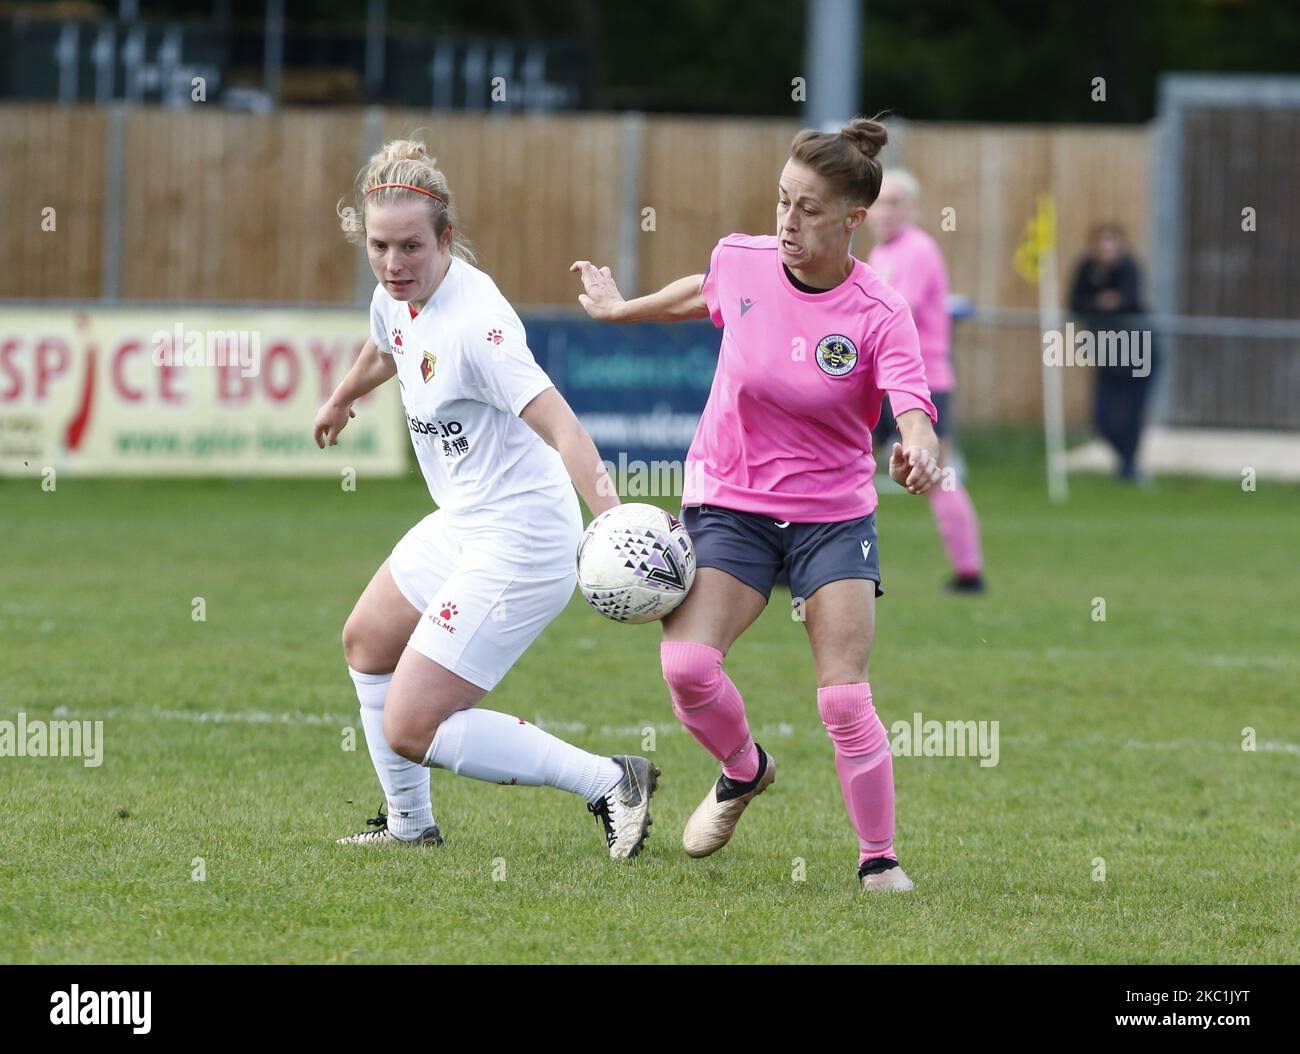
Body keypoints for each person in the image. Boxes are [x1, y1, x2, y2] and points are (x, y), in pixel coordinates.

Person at [571, 117, 943, 892]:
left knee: (843, 695)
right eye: (782, 201)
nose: (788, 221)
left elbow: (912, 401)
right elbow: (702, 294)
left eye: (808, 208)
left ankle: (880, 858)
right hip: (731, 503)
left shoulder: (880, 310)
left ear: (852, 220)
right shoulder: (741, 260)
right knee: (687, 666)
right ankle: (743, 770)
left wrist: (919, 447)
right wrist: (621, 308)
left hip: (833, 515)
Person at [314, 137, 658, 859]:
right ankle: (410, 827)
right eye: (379, 247)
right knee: (366, 641)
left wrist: (614, 524)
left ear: (446, 239)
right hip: (466, 521)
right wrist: (343, 398)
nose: (393, 264)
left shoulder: (480, 325)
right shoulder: (394, 294)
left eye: (411, 247)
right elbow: (386, 345)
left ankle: (611, 780)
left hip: (524, 537)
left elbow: (562, 424)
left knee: (413, 724)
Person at [868, 169, 985, 593]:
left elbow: (899, 312)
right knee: (843, 464)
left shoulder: (916, 250)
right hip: (885, 377)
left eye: (895, 202)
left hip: (921, 379)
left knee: (939, 474)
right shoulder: (882, 254)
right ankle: (816, 560)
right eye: (879, 202)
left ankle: (969, 571)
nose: (885, 211)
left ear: (912, 208)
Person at [1069, 223, 1156, 480]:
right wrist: (1101, 302)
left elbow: (1127, 301)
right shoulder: (1087, 268)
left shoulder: (1129, 267)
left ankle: (1129, 468)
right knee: (1102, 417)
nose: (1106, 248)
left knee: (1133, 413)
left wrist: (1105, 304)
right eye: (1101, 242)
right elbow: (1075, 303)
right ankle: (1128, 461)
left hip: (1139, 352)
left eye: (1112, 242)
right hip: (1107, 354)